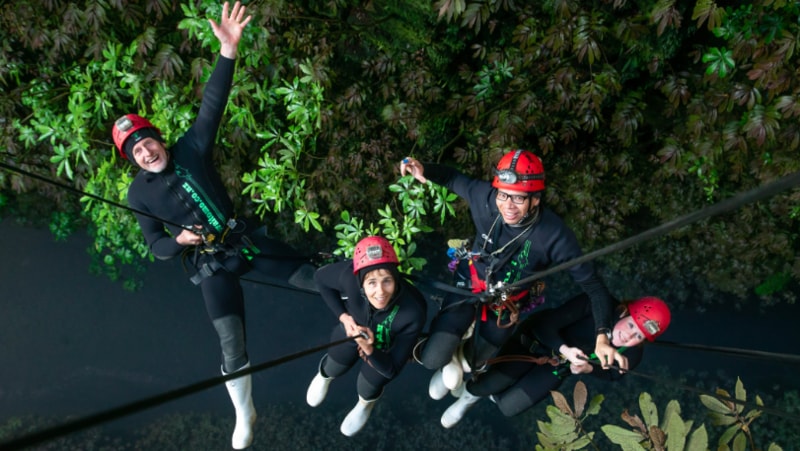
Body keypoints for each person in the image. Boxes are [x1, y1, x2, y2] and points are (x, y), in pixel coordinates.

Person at [110, 3, 263, 449]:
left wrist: (228, 50)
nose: (144, 152)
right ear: (132, 161)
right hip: (210, 264)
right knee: (229, 339)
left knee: (314, 276)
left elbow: (213, 104)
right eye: (135, 152)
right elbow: (154, 247)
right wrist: (177, 240)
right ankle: (244, 411)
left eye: (146, 142)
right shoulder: (139, 195)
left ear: (158, 139)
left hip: (243, 241)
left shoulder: (191, 148)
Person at [400, 150, 621, 399]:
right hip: (470, 282)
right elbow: (452, 178)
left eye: (518, 199)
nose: (508, 206)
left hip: (507, 301)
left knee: (476, 360)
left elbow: (594, 287)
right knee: (432, 359)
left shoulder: (554, 236)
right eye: (503, 195)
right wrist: (424, 170)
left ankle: (459, 364)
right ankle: (448, 357)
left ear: (535, 199)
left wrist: (603, 335)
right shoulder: (485, 197)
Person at [438, 294, 671, 427]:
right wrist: (565, 349)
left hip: (557, 367)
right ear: (624, 312)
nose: (628, 336)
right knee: (487, 384)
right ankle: (469, 395)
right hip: (535, 342)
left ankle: (485, 393)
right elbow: (544, 325)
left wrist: (589, 368)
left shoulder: (631, 354)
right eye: (631, 325)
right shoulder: (596, 306)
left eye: (638, 335)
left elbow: (611, 374)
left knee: (509, 407)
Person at [305, 236, 427, 436]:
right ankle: (325, 376)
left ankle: (364, 404)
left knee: (370, 382)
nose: (380, 292)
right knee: (336, 360)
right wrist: (344, 317)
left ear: (396, 278)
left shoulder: (412, 310)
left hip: (386, 347)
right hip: (353, 329)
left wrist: (370, 349)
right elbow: (321, 279)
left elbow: (392, 369)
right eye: (372, 283)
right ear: (361, 282)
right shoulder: (348, 276)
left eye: (387, 281)